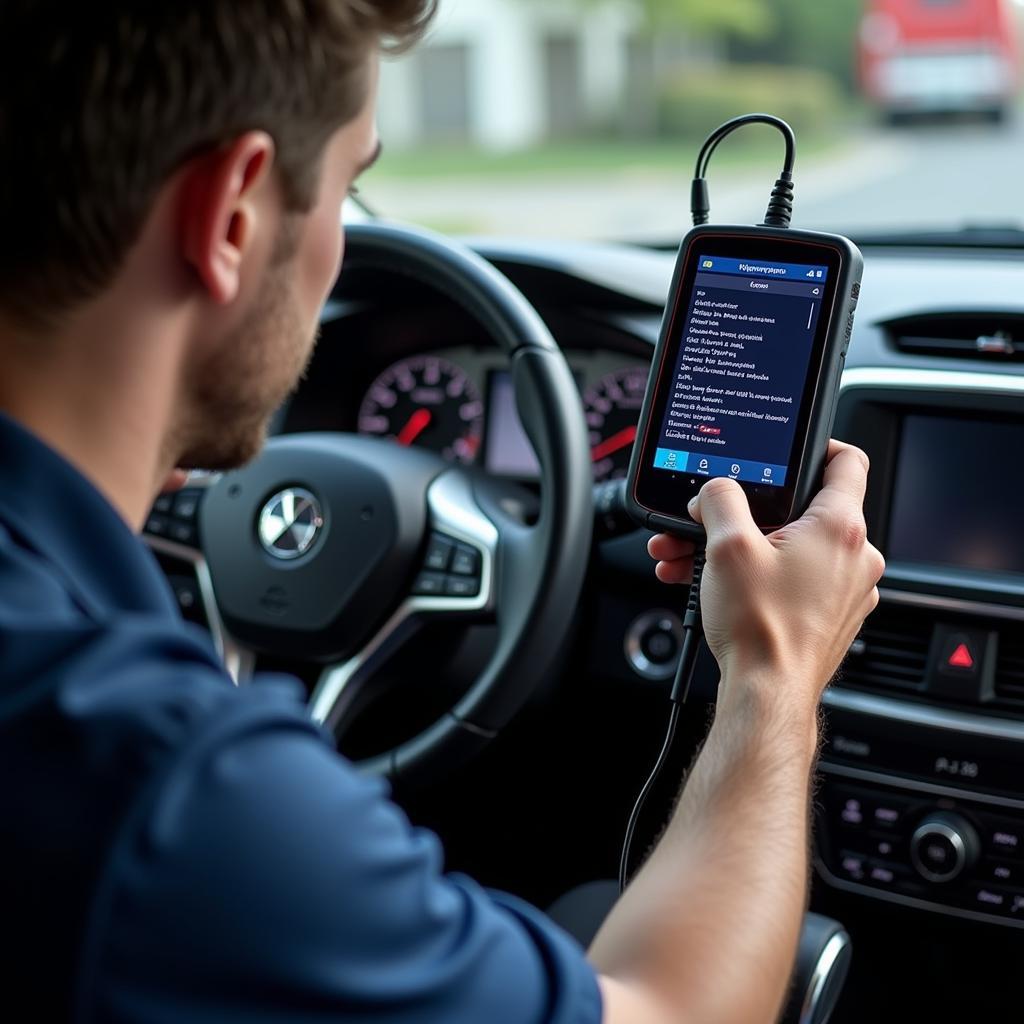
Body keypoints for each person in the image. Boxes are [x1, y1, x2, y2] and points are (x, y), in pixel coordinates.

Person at [0, 3, 885, 1022]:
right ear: (233, 216)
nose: (342, 237)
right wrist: (774, 675)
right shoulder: (178, 795)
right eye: (349, 186)